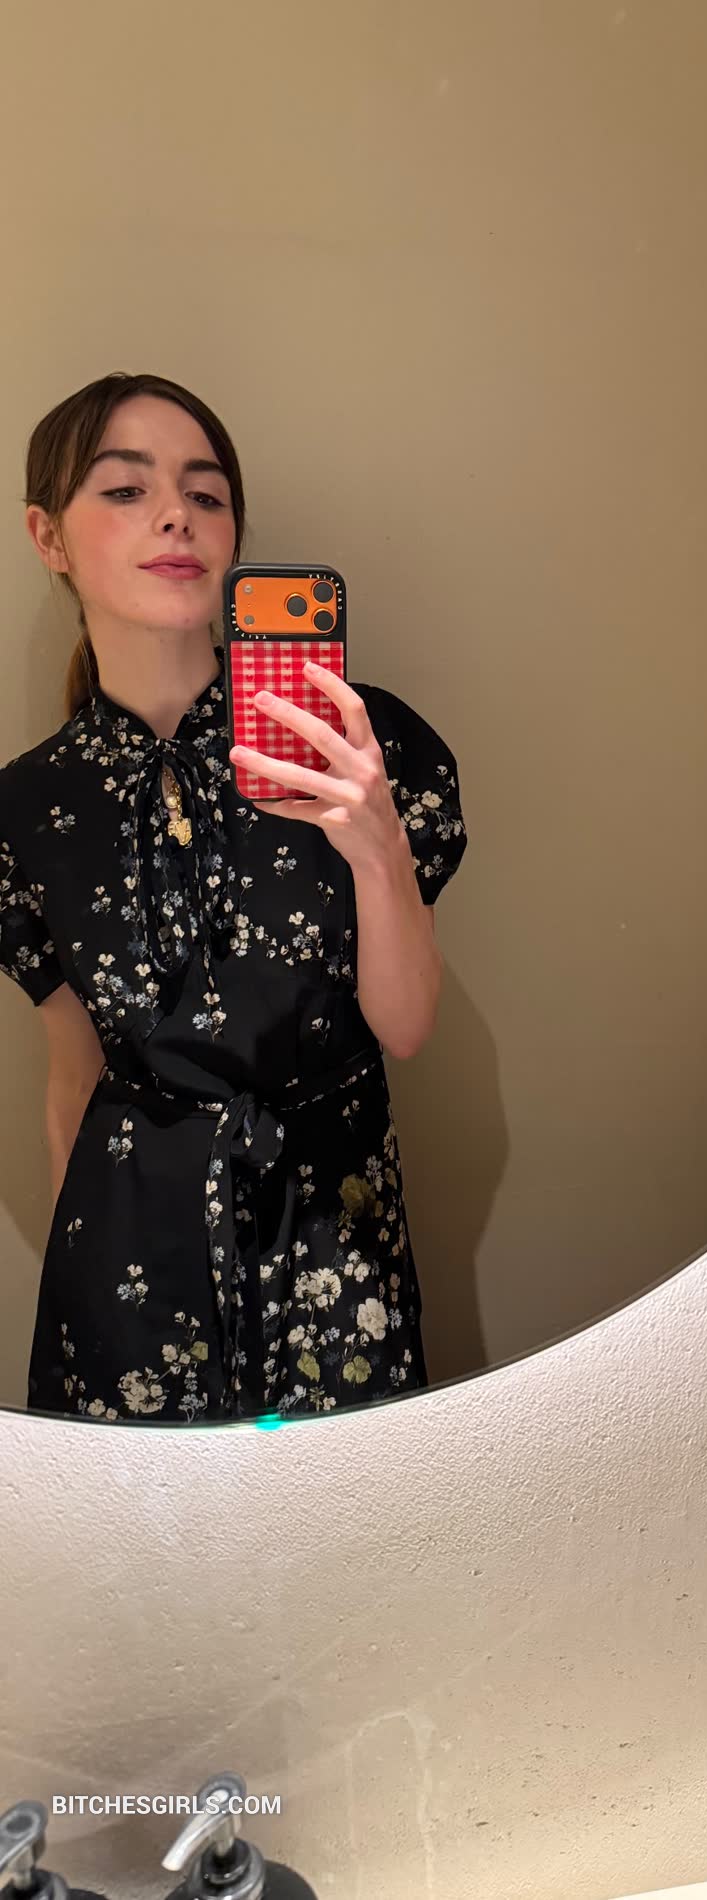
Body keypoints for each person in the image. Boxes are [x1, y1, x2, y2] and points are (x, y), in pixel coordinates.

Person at [0, 371, 467, 1424]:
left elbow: (405, 1027)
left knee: (344, 1518)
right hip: (126, 1263)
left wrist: (375, 846)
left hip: (332, 1241)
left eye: (205, 494)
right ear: (47, 535)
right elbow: (74, 1076)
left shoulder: (360, 746)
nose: (176, 515)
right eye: (126, 489)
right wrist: (84, 1293)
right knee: (141, 1533)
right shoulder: (27, 810)